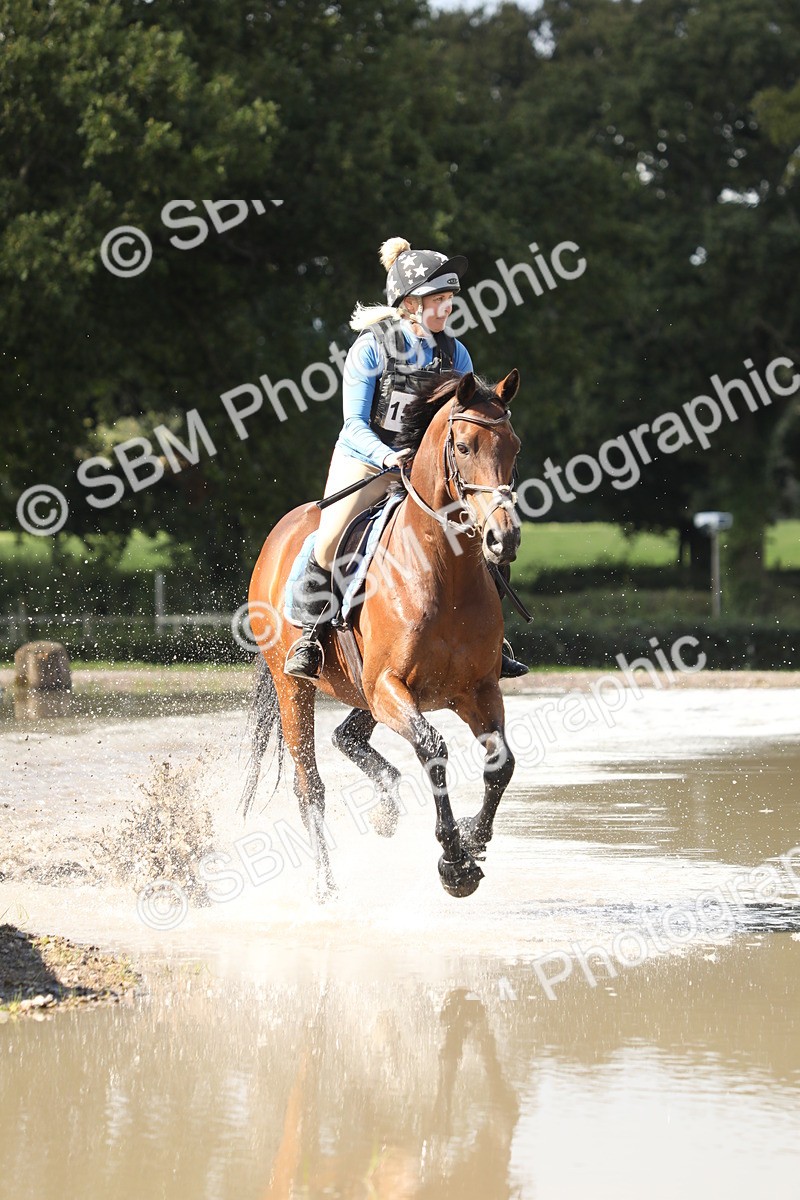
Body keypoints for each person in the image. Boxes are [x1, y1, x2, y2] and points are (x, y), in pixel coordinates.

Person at [284, 236, 528, 681]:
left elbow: (462, 423)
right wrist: (385, 456)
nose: (448, 306)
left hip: (426, 470)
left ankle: (491, 640)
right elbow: (353, 425)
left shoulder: (455, 352)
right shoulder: (370, 348)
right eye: (439, 299)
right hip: (366, 460)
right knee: (330, 539)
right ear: (411, 304)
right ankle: (310, 636)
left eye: (450, 298)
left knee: (482, 534)